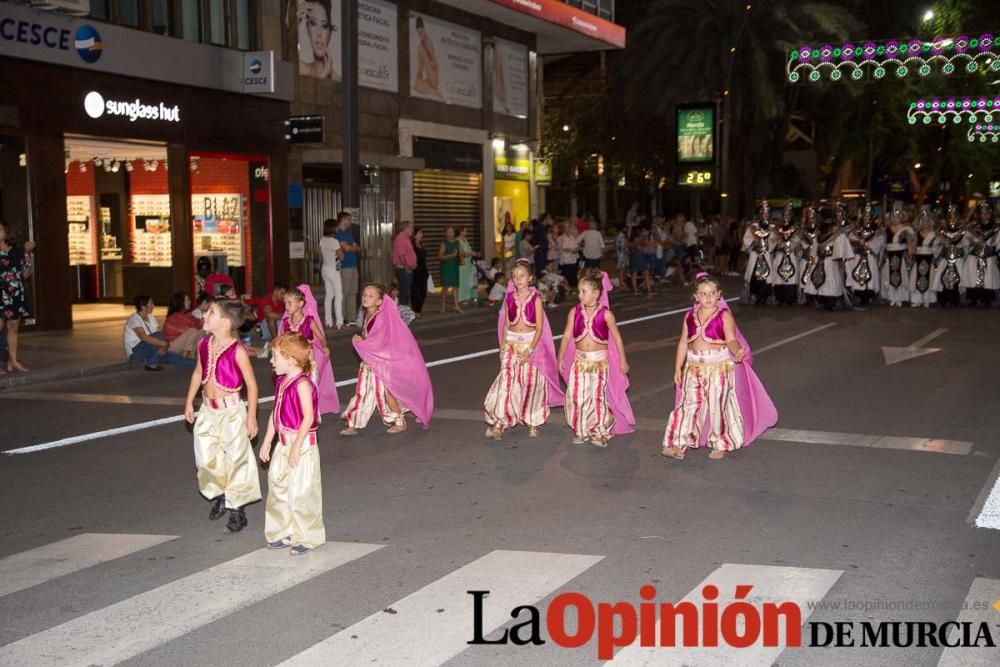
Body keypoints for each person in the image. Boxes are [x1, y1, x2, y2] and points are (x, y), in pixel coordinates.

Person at [662, 273, 777, 461]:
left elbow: (731, 339)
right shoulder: (689, 316)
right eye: (703, 293)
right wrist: (677, 368)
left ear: (719, 295)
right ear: (695, 296)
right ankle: (678, 443)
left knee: (718, 405)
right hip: (693, 368)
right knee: (688, 405)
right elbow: (683, 342)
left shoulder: (724, 316)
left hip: (718, 368)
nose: (707, 297)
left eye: (712, 293)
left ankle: (721, 442)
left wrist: (737, 350)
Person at [183, 299, 262, 533]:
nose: (205, 315)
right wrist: (189, 401)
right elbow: (198, 372)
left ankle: (237, 508)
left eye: (211, 313)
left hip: (231, 412)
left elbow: (252, 386)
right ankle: (220, 493)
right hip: (208, 410)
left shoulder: (237, 350)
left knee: (237, 459)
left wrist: (251, 417)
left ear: (225, 322)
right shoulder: (204, 344)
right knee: (206, 457)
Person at [259, 332, 325, 555]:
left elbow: (309, 417)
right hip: (283, 442)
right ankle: (282, 531)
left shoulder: (303, 385)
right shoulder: (281, 382)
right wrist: (268, 440)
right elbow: (275, 413)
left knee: (301, 492)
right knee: (277, 487)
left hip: (302, 444)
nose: (271, 361)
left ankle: (307, 537)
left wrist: (296, 447)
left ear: (291, 359)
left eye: (275, 357)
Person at [484, 259, 565, 440]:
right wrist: (503, 346)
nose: (518, 279)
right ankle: (500, 424)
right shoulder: (509, 298)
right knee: (506, 383)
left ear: (530, 278)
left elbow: (539, 328)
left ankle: (532, 420)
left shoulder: (535, 299)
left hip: (530, 346)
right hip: (511, 345)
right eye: (515, 276)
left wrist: (530, 350)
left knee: (531, 384)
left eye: (522, 276)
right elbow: (505, 325)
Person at [341, 284, 434, 435]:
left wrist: (361, 342)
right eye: (364, 294)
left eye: (371, 296)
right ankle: (352, 424)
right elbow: (371, 339)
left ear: (379, 301)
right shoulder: (368, 315)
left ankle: (399, 421)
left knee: (386, 393)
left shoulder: (380, 317)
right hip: (371, 362)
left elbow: (381, 342)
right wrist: (362, 340)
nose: (366, 297)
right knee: (364, 393)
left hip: (381, 363)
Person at [557, 270, 634, 447]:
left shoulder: (606, 314)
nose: (580, 295)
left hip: (599, 363)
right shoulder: (574, 312)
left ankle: (600, 431)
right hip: (579, 362)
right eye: (579, 291)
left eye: (584, 291)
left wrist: (623, 360)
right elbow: (567, 336)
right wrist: (560, 357)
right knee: (578, 396)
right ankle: (581, 429)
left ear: (596, 293)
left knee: (597, 396)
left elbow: (617, 338)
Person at [280, 285, 339, 417]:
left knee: (309, 384)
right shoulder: (285, 322)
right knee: (293, 383)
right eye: (285, 303)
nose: (286, 306)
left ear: (300, 304)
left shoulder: (308, 321)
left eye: (290, 303)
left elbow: (321, 336)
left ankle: (310, 412)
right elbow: (282, 339)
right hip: (292, 359)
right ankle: (296, 410)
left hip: (308, 358)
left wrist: (324, 347)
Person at [123, 296, 195, 371]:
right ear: (143, 307)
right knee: (158, 335)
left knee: (172, 356)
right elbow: (143, 337)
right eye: (151, 303)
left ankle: (200, 365)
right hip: (136, 352)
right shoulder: (134, 319)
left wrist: (163, 347)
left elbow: (160, 334)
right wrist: (164, 344)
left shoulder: (150, 316)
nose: (153, 305)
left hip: (151, 350)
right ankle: (151, 364)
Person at [0, 220, 33, 373]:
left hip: (15, 293)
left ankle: (13, 361)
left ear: (7, 232)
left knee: (13, 327)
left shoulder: (18, 251)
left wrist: (27, 258)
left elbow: (26, 273)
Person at [881, 207, 915, 307]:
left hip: (901, 255)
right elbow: (884, 243)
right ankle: (892, 298)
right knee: (889, 276)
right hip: (889, 255)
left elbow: (909, 243)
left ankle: (900, 298)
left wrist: (910, 255)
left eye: (897, 217)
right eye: (893, 217)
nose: (895, 219)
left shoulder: (906, 229)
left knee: (901, 277)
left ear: (901, 217)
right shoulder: (886, 229)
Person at [298, 0, 338, 80]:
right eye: (313, 23)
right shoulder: (300, 69)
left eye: (324, 26)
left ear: (329, 34)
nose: (319, 34)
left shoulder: (340, 80)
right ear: (307, 29)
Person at [909, 209, 941, 308]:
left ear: (930, 222)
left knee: (929, 278)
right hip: (918, 258)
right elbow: (912, 247)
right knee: (916, 279)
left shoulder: (934, 234)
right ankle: (916, 300)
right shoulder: (916, 234)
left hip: (929, 258)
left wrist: (934, 254)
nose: (925, 223)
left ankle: (927, 300)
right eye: (923, 221)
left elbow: (938, 248)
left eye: (927, 221)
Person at [335, 211, 361, 325]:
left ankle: (351, 317)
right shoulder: (338, 233)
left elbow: (357, 248)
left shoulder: (349, 233)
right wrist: (352, 247)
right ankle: (342, 316)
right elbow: (346, 248)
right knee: (343, 292)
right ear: (343, 220)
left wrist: (352, 247)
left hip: (353, 265)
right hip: (344, 266)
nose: (351, 222)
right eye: (349, 219)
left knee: (353, 291)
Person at [318, 218, 345, 329]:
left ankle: (328, 321)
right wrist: (341, 251)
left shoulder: (322, 240)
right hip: (334, 270)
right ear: (333, 228)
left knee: (329, 295)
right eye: (336, 226)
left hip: (325, 269)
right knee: (339, 295)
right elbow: (342, 256)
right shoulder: (334, 241)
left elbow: (319, 254)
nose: (337, 228)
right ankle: (339, 321)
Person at [163, 292, 203, 359]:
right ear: (181, 303)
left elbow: (198, 324)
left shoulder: (187, 315)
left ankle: (193, 354)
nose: (190, 302)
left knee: (202, 331)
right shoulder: (176, 317)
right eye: (187, 300)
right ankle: (185, 355)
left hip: (181, 343)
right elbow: (187, 330)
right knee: (193, 331)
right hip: (171, 346)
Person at [413, 16, 442, 97]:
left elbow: (436, 65)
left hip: (434, 77)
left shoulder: (428, 42)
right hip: (429, 79)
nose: (420, 35)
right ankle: (433, 90)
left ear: (424, 30)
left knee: (420, 48)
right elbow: (420, 68)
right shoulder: (421, 45)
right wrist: (418, 80)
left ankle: (435, 92)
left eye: (421, 32)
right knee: (417, 86)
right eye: (418, 33)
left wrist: (427, 60)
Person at [393, 220, 417, 308]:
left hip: (406, 269)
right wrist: (407, 267)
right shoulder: (401, 238)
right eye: (411, 228)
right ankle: (403, 316)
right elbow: (401, 255)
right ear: (405, 228)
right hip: (403, 269)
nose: (412, 230)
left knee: (406, 293)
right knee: (404, 293)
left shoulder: (406, 238)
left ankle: (404, 314)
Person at [438, 226, 462, 313]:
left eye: (451, 232)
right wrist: (450, 255)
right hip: (446, 266)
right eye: (448, 232)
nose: (450, 233)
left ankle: (456, 305)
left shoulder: (457, 242)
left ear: (454, 233)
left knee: (455, 286)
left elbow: (460, 253)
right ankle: (443, 305)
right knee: (445, 287)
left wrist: (461, 257)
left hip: (454, 266)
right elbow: (440, 256)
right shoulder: (444, 243)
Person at [411, 227, 429, 318]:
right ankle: (415, 310)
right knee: (415, 291)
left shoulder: (421, 244)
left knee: (423, 291)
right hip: (415, 271)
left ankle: (418, 309)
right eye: (420, 233)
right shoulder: (412, 245)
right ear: (415, 235)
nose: (422, 235)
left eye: (422, 233)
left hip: (423, 271)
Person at [457, 227, 478, 304]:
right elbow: (461, 253)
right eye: (465, 231)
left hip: (468, 262)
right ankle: (461, 298)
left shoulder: (465, 240)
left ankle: (467, 296)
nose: (467, 232)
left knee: (468, 280)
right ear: (461, 232)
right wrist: (471, 253)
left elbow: (468, 249)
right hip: (462, 263)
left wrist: (473, 253)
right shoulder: (458, 240)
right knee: (462, 280)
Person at [557, 224, 581, 288]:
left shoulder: (572, 237)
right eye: (566, 227)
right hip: (565, 260)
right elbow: (562, 248)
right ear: (563, 229)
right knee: (566, 275)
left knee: (573, 275)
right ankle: (566, 288)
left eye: (568, 227)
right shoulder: (561, 238)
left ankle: (573, 288)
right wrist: (571, 250)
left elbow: (577, 246)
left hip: (573, 259)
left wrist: (576, 249)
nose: (567, 229)